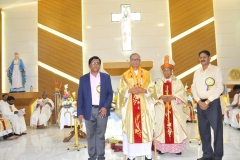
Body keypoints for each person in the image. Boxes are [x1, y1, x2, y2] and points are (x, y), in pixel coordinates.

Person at [117, 53, 155, 160]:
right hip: (130, 108)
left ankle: (147, 153)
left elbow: (152, 88)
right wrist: (128, 90)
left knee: (146, 128)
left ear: (140, 61)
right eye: (133, 59)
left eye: (137, 59)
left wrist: (144, 90)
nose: (135, 61)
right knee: (131, 129)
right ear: (130, 61)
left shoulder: (147, 74)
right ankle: (131, 154)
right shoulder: (125, 75)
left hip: (144, 107)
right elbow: (120, 89)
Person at [77, 56, 113, 160]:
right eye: (93, 63)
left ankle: (101, 156)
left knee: (100, 134)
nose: (95, 65)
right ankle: (92, 157)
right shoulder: (83, 79)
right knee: (90, 135)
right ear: (89, 65)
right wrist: (80, 112)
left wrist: (105, 107)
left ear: (100, 65)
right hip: (88, 110)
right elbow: (80, 96)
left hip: (102, 110)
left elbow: (110, 94)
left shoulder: (106, 77)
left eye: (97, 63)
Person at [191, 50, 224, 160]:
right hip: (200, 103)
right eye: (200, 57)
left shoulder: (216, 70)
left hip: (212, 102)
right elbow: (193, 87)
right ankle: (207, 154)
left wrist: (207, 101)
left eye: (204, 57)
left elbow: (220, 87)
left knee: (217, 129)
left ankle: (218, 155)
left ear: (209, 58)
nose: (202, 58)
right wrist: (199, 102)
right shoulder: (197, 72)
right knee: (203, 130)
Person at [154, 55, 188, 155]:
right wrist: (161, 97)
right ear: (162, 72)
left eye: (168, 70)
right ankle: (163, 148)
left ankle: (177, 149)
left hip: (174, 109)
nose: (166, 72)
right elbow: (155, 94)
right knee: (162, 127)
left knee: (176, 126)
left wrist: (174, 97)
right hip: (162, 108)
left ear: (171, 71)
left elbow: (182, 93)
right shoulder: (159, 83)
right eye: (164, 70)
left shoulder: (177, 81)